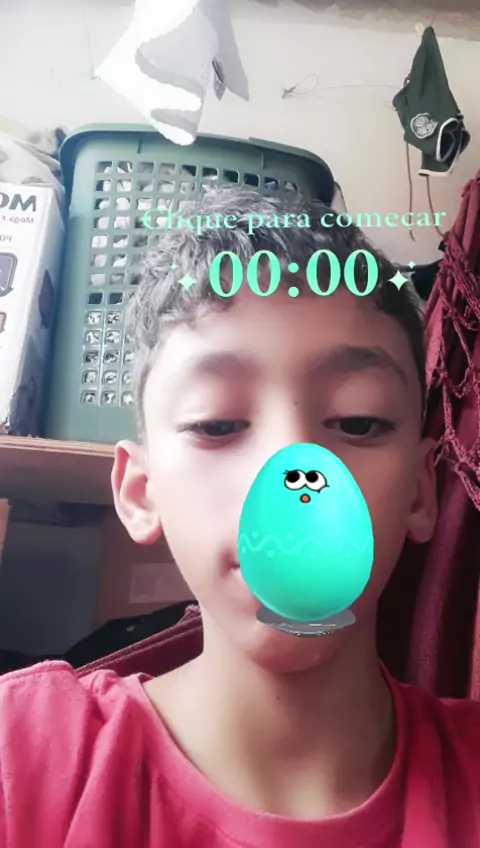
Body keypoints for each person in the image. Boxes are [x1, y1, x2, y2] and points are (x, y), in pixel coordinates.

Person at [1, 187, 479, 848]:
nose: (292, 476)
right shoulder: (23, 759)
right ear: (141, 491)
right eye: (217, 423)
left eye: (358, 421)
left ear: (422, 492)